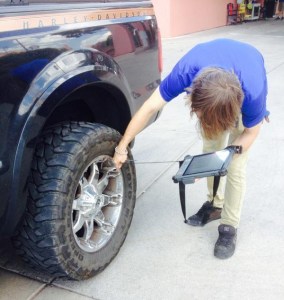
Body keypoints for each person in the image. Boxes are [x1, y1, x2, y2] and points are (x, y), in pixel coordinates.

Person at [113, 38, 269, 259]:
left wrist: (226, 156)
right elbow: (148, 108)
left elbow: (252, 133)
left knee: (235, 166)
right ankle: (215, 204)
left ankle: (229, 225)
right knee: (210, 147)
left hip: (249, 73)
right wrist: (122, 146)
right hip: (215, 74)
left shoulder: (253, 93)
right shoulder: (186, 71)